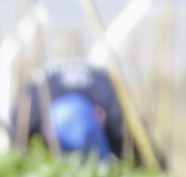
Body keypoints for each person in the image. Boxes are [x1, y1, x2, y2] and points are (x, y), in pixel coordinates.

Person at [10, 59, 151, 164]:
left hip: (75, 116)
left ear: (100, 115)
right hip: (59, 117)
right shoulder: (36, 99)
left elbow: (131, 135)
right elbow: (136, 139)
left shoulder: (108, 92)